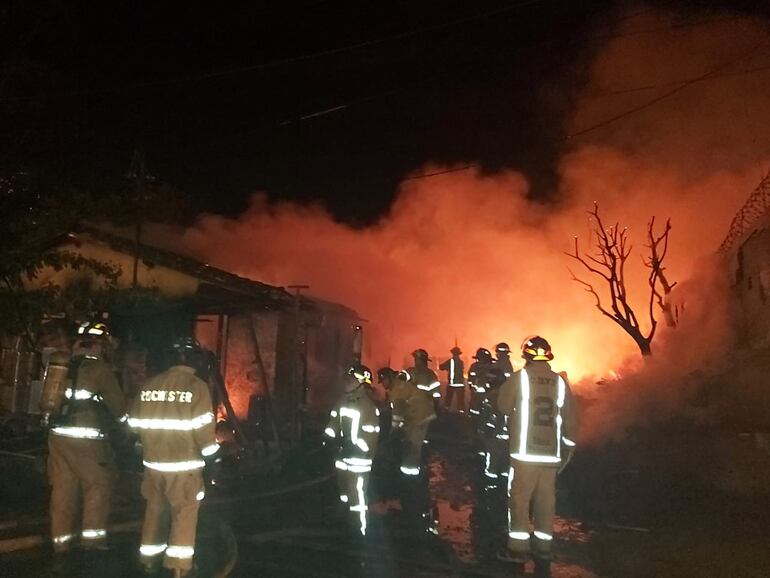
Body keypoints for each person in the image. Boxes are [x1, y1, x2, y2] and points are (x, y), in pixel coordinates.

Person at [128, 337, 218, 577]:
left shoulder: (151, 384)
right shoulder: (196, 387)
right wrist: (215, 458)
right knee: (183, 515)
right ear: (193, 359)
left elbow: (134, 424)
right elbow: (204, 431)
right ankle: (178, 568)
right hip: (183, 468)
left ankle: (148, 561)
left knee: (155, 512)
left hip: (153, 466)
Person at [496, 336, 576, 578]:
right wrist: (568, 449)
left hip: (524, 454)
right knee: (545, 502)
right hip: (550, 455)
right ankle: (543, 549)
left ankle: (517, 549)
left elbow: (502, 406)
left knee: (520, 501)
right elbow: (571, 418)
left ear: (527, 355)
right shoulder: (560, 382)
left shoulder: (520, 378)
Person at [46, 320, 126, 561]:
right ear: (99, 343)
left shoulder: (63, 364)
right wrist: (129, 429)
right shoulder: (100, 369)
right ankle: (92, 544)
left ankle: (60, 545)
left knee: (62, 489)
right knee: (97, 486)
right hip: (86, 439)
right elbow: (119, 409)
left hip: (58, 436)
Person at [324, 364, 379, 536]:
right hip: (342, 457)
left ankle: (360, 531)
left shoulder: (368, 407)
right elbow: (333, 421)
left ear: (360, 383)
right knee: (343, 492)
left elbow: (370, 436)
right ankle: (344, 523)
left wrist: (354, 446)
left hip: (358, 460)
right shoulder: (342, 400)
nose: (347, 381)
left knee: (357, 497)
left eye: (352, 378)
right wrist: (328, 438)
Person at [389, 367, 437, 532]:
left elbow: (398, 413)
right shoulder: (403, 385)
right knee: (412, 443)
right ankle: (412, 476)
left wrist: (393, 431)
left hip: (419, 417)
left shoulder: (397, 388)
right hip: (419, 415)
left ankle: (411, 482)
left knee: (412, 446)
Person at [467, 347, 493, 419]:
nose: (480, 360)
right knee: (474, 407)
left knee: (488, 408)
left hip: (488, 393)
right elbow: (470, 378)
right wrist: (472, 387)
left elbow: (493, 380)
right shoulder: (474, 366)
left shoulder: (491, 367)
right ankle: (473, 420)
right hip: (476, 392)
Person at [439, 346, 466, 412]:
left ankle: (446, 411)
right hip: (460, 384)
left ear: (452, 353)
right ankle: (461, 412)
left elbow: (441, 367)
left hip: (452, 384)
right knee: (460, 400)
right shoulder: (461, 362)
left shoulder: (450, 361)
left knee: (448, 399)